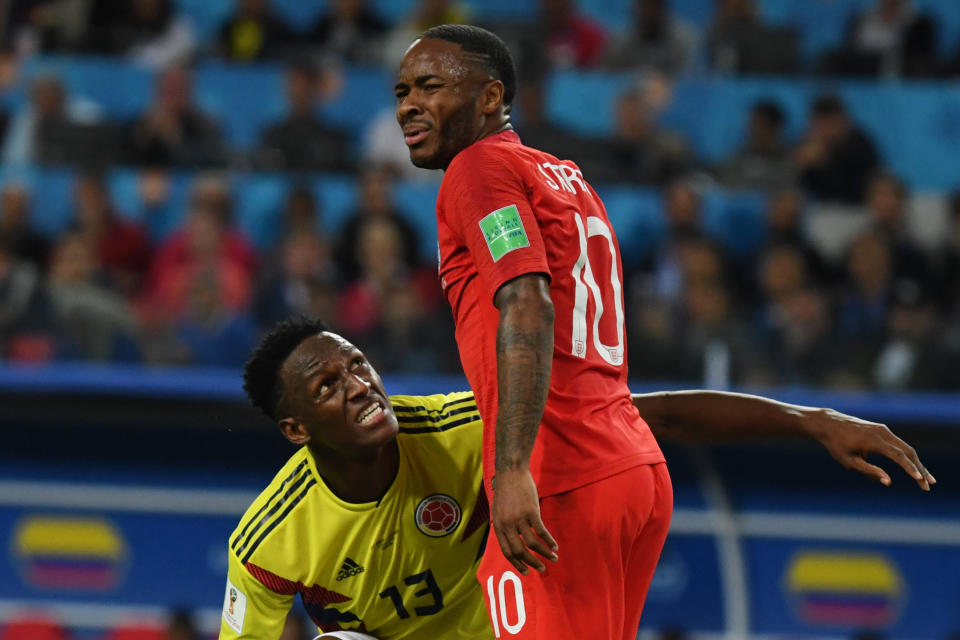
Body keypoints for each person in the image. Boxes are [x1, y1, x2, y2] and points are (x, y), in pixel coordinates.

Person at [393, 26, 929, 637]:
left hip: (559, 480)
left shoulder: (477, 169)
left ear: (490, 97)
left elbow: (526, 301)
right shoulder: (567, 180)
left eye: (430, 86)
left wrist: (511, 469)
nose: (409, 103)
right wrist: (807, 420)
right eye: (402, 89)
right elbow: (597, 389)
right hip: (630, 467)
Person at [219, 317, 933, 639]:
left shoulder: (456, 427)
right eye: (327, 386)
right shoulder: (268, 541)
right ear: (296, 431)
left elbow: (634, 416)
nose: (359, 386)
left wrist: (811, 420)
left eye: (358, 365)